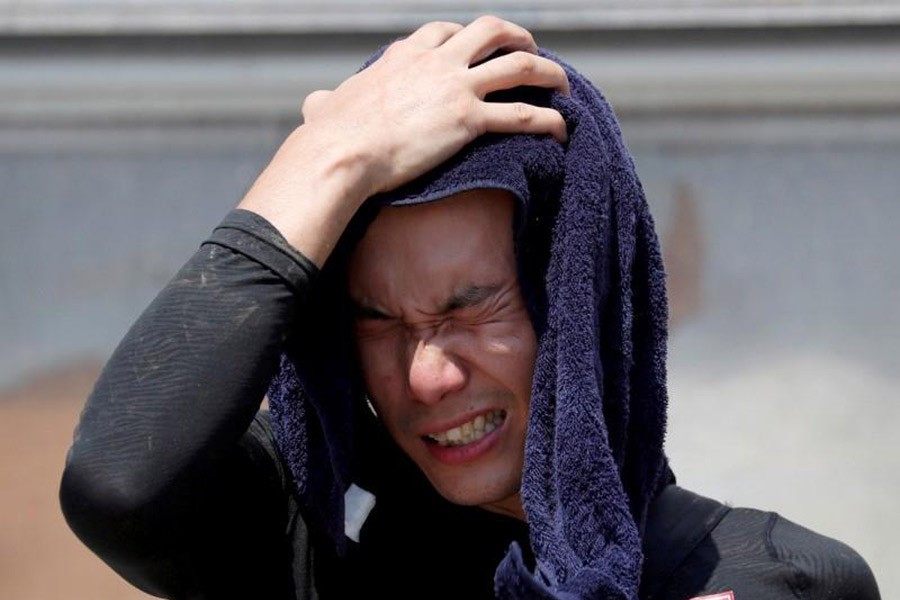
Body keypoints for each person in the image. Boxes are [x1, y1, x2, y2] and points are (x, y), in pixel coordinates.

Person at [60, 16, 880, 600]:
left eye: (472, 306)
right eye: (377, 319)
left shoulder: (780, 581)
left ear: (580, 307)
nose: (427, 374)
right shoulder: (300, 553)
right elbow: (121, 482)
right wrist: (330, 156)